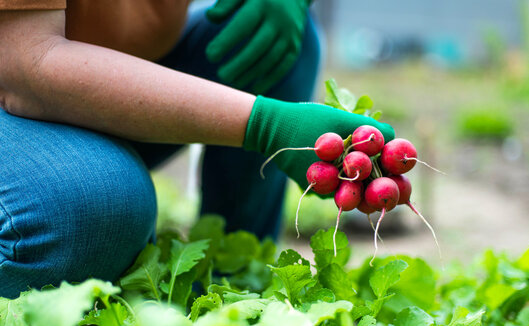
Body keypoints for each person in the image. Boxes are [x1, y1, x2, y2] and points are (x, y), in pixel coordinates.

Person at [0, 0, 394, 299]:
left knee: (270, 39)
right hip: (19, 78)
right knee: (92, 206)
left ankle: (235, 283)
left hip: (98, 71)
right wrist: (265, 124)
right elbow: (25, 62)